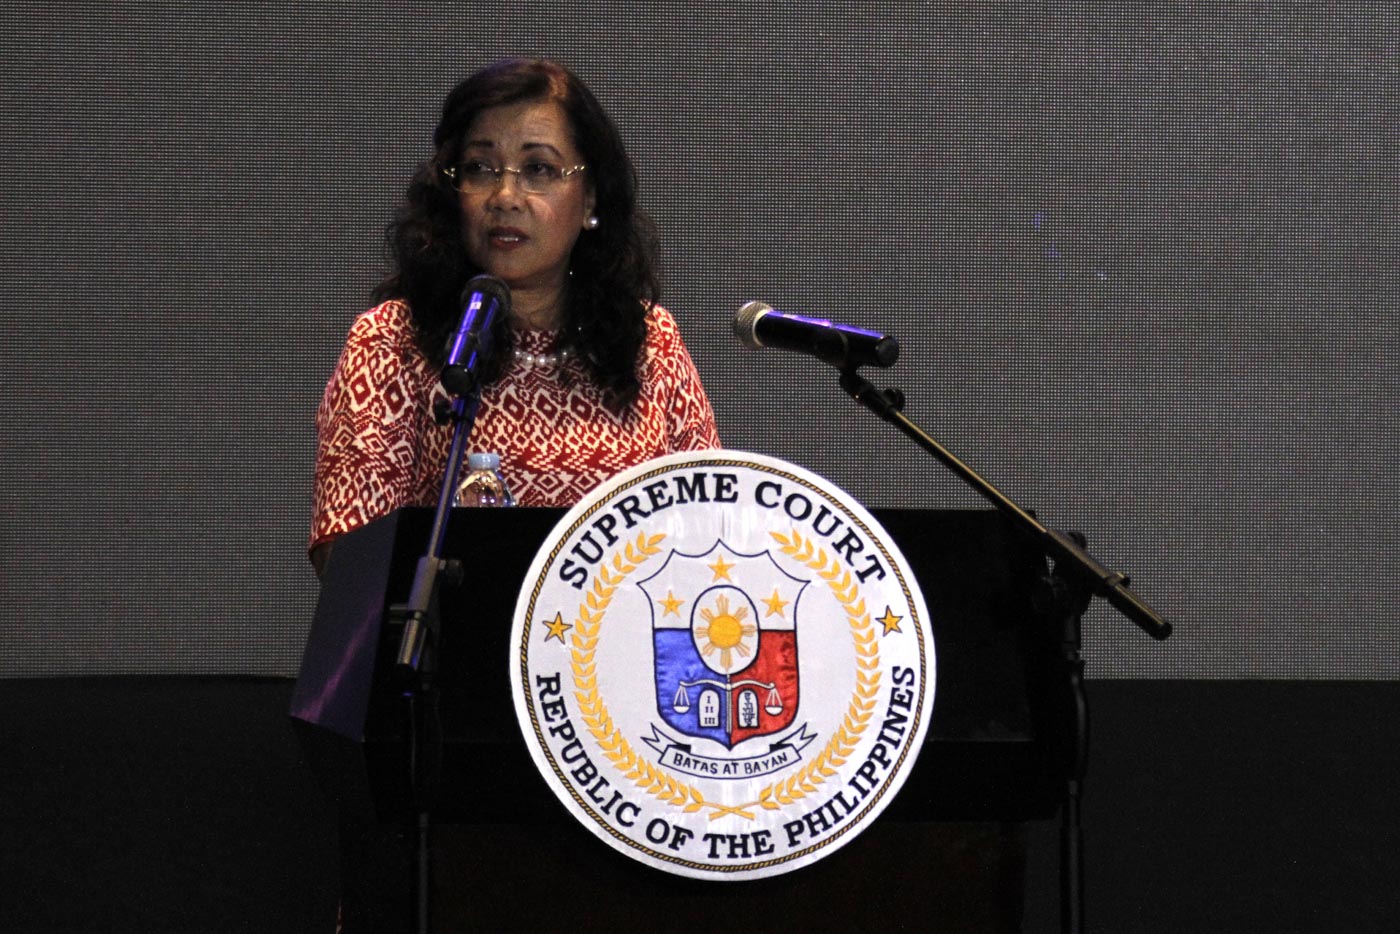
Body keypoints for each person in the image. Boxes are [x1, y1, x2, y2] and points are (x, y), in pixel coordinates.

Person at [309, 57, 719, 576]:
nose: (505, 197)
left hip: (611, 650)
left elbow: (710, 531)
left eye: (539, 170)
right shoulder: (391, 341)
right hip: (454, 650)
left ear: (590, 196)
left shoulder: (649, 341)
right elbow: (350, 561)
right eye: (480, 168)